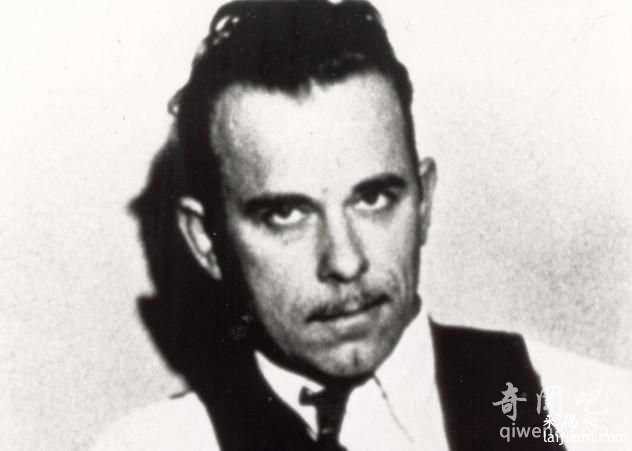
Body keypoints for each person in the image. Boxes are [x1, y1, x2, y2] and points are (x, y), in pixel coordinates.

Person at [94, 1, 631, 450]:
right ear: (207, 241)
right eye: (286, 214)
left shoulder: (595, 416)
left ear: (423, 202)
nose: (345, 261)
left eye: (373, 198)